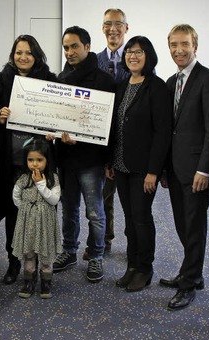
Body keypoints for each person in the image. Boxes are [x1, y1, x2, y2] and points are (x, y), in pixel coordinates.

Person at [160, 24, 209, 311]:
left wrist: (205, 169)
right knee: (182, 224)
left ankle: (188, 286)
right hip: (174, 169)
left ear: (195, 45)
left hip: (197, 170)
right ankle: (192, 272)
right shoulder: (170, 81)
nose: (178, 50)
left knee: (194, 226)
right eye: (173, 44)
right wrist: (163, 168)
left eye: (184, 44)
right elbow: (167, 131)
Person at [0, 34, 59, 285]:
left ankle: (37, 265)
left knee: (36, 217)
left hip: (38, 163)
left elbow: (59, 118)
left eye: (28, 52)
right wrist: (0, 116)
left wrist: (56, 130)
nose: (23, 57)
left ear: (36, 55)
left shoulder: (50, 81)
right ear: (13, 55)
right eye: (18, 52)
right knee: (10, 215)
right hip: (9, 162)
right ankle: (13, 263)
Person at [107, 36, 172, 293]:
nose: (133, 56)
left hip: (144, 168)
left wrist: (154, 171)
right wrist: (110, 160)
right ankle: (132, 266)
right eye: (130, 51)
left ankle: (145, 268)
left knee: (142, 218)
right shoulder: (121, 86)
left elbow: (162, 133)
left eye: (139, 52)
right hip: (120, 165)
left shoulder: (157, 87)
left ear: (148, 55)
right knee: (130, 219)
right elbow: (114, 127)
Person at [51, 26, 114, 283]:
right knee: (69, 209)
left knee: (95, 212)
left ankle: (96, 255)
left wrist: (108, 158)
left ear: (87, 47)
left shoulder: (105, 81)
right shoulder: (59, 80)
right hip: (66, 157)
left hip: (92, 159)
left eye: (74, 46)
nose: (70, 52)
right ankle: (69, 251)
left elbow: (110, 125)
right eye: (66, 47)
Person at [94, 8, 130, 256]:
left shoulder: (138, 59)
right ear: (102, 28)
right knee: (103, 197)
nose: (113, 28)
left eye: (118, 24)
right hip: (100, 142)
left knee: (132, 201)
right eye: (108, 23)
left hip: (129, 143)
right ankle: (104, 240)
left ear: (126, 28)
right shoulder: (93, 61)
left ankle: (135, 245)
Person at [12, 139, 61, 299]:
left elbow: (54, 200)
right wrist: (26, 209)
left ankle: (46, 283)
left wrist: (41, 184)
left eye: (39, 160)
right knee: (29, 254)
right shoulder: (23, 179)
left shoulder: (53, 178)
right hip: (28, 223)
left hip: (45, 223)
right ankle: (29, 282)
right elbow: (16, 197)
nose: (35, 164)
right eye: (30, 160)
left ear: (47, 160)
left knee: (46, 254)